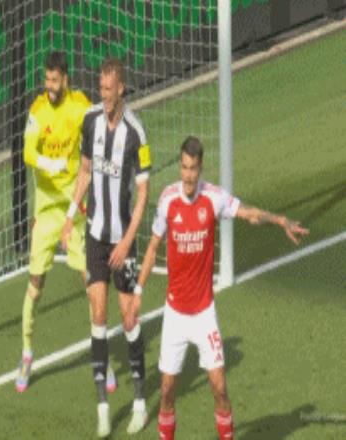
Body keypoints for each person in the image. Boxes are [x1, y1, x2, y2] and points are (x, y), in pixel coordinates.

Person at [128, 136, 309, 440]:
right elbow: (152, 247)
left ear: (200, 168)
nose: (187, 175)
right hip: (175, 314)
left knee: (220, 387)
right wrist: (137, 293)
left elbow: (249, 214)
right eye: (184, 168)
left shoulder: (213, 198)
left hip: (203, 313)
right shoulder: (168, 200)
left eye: (193, 169)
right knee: (167, 391)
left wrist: (279, 220)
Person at [16, 51, 117, 393]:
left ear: (66, 79)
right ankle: (27, 353)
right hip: (46, 213)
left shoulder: (80, 107)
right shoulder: (37, 111)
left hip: (76, 209)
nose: (49, 86)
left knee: (92, 282)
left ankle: (101, 356)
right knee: (35, 284)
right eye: (46, 80)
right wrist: (50, 163)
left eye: (55, 81)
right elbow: (28, 152)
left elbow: (101, 125)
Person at [62, 57, 152, 437]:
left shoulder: (136, 133)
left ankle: (140, 403)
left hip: (123, 242)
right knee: (98, 315)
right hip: (95, 238)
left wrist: (128, 241)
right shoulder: (90, 121)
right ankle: (102, 408)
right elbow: (85, 170)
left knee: (128, 318)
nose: (103, 95)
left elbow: (143, 194)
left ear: (122, 89)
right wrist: (70, 214)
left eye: (109, 90)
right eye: (100, 88)